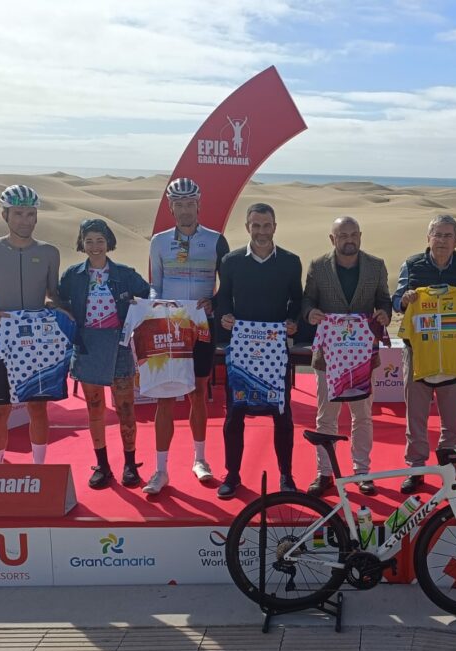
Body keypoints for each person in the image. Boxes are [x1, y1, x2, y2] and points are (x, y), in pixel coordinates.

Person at [0, 184, 63, 464]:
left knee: (38, 409)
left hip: (38, 339)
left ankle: (40, 469)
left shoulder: (49, 252)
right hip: (3, 337)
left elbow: (53, 293)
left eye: (31, 214)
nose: (25, 220)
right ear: (4, 215)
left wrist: (56, 306)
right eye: (18, 213)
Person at [145, 177, 230, 494]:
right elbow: (155, 284)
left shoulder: (216, 240)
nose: (184, 210)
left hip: (202, 325)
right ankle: (160, 470)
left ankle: (200, 460)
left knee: (198, 393)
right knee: (164, 397)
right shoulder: (159, 241)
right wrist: (154, 304)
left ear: (199, 205)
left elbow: (227, 285)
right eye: (178, 205)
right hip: (170, 327)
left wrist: (215, 302)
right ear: (170, 207)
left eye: (189, 204)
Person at [214, 203, 303, 498]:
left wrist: (293, 321)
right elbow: (223, 299)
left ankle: (286, 476)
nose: (261, 231)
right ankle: (232, 474)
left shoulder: (291, 262)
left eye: (266, 225)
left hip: (275, 352)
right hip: (242, 352)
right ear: (247, 227)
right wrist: (225, 317)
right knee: (234, 414)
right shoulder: (231, 261)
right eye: (256, 225)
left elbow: (297, 300)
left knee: (282, 414)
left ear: (275, 227)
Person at [58, 219, 151, 489]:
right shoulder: (72, 275)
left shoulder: (125, 274)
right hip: (87, 346)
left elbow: (148, 294)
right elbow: (60, 298)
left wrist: (136, 308)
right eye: (89, 241)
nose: (95, 246)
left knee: (125, 409)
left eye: (100, 240)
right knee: (95, 408)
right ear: (82, 244)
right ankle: (102, 465)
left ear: (108, 242)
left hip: (119, 345)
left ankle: (130, 464)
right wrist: (66, 315)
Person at [301, 217, 391, 496]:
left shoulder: (376, 265)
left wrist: (384, 313)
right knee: (326, 417)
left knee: (362, 416)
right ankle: (325, 473)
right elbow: (308, 299)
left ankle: (362, 472)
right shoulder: (318, 266)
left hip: (363, 355)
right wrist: (310, 313)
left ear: (360, 236)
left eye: (353, 234)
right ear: (332, 239)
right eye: (342, 235)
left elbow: (383, 299)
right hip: (328, 357)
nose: (349, 239)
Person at [393, 215, 456, 494]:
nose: (442, 241)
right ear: (428, 238)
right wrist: (405, 300)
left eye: (447, 235)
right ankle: (416, 469)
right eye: (437, 235)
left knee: (452, 421)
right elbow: (396, 301)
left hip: (454, 355)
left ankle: (450, 471)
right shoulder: (412, 265)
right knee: (416, 419)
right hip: (418, 354)